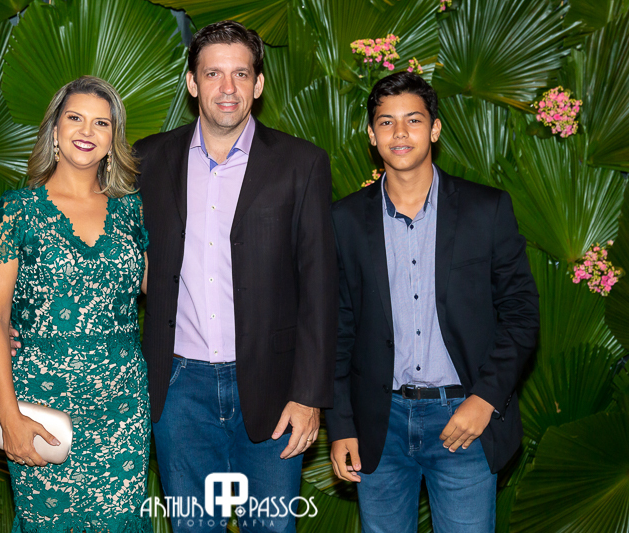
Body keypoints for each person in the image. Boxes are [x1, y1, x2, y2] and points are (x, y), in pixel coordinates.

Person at [133, 20, 338, 533]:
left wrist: (309, 395)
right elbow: (108, 252)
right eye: (213, 73)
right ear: (192, 82)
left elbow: (320, 289)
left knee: (272, 527)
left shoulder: (302, 163)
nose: (228, 87)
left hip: (275, 387)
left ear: (259, 84)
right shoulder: (147, 159)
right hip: (179, 388)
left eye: (241, 74)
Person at [327, 72, 539, 533]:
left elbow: (522, 314)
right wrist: (341, 424)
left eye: (414, 120)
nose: (400, 133)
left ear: (435, 129)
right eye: (386, 122)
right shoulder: (344, 220)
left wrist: (486, 399)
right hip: (378, 424)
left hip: (463, 421)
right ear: (372, 135)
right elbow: (338, 329)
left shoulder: (487, 210)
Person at [0, 76, 152, 533]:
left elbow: (167, 290)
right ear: (55, 129)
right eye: (75, 118)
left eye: (101, 123)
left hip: (121, 405)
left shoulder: (131, 211)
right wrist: (8, 416)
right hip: (41, 404)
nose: (87, 131)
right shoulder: (17, 212)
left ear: (113, 139)